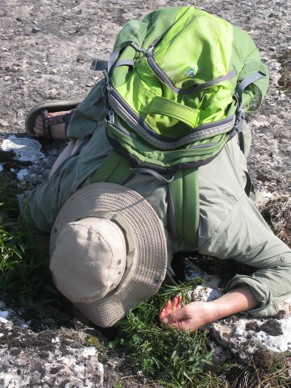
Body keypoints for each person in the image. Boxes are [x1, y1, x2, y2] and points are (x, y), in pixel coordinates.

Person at [18, 80, 291, 331]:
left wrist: (215, 309)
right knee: (68, 163)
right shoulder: (66, 191)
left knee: (66, 165)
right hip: (142, 99)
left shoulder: (213, 221)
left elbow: (287, 266)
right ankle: (74, 125)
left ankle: (73, 123)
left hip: (203, 98)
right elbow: (29, 212)